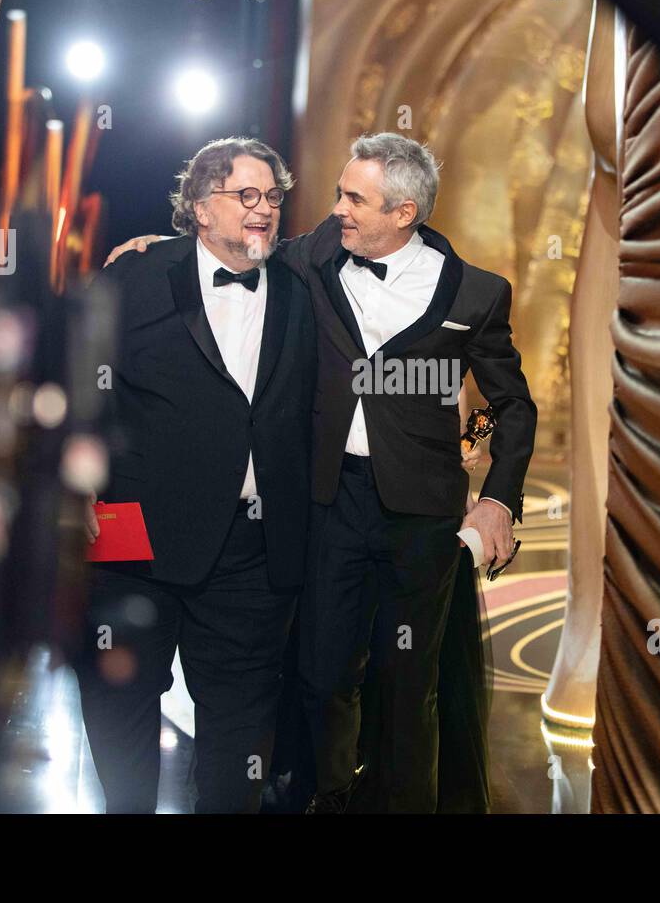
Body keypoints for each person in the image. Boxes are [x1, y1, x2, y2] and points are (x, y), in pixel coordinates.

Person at [106, 132, 537, 813]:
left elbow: (512, 405)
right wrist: (148, 248)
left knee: (409, 686)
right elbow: (227, 246)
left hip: (421, 513)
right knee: (319, 678)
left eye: (353, 198)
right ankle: (325, 800)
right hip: (326, 502)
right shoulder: (311, 259)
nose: (332, 208)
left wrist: (499, 500)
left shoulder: (473, 293)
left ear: (403, 213)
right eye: (335, 192)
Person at [78, 137, 317, 813]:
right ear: (200, 208)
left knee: (240, 722)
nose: (263, 209)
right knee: (119, 698)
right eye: (246, 196)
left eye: (272, 197)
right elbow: (71, 380)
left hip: (251, 552)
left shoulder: (304, 290)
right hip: (133, 542)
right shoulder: (134, 276)